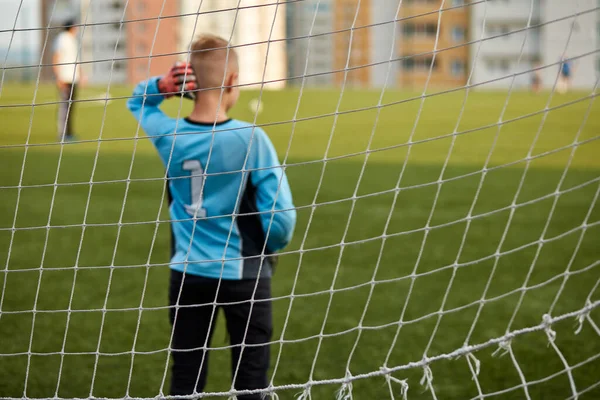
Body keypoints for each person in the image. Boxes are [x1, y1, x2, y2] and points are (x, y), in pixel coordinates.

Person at [127, 34, 296, 399]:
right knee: (251, 380)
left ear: (189, 83)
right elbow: (281, 218)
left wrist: (160, 86)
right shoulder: (252, 138)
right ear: (233, 81)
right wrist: (270, 247)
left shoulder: (169, 135)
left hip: (187, 273)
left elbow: (137, 102)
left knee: (186, 378)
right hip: (245, 275)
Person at [53, 19, 81, 142]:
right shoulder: (62, 39)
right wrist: (58, 77)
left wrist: (81, 75)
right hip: (65, 78)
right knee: (65, 107)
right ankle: (63, 134)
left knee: (71, 107)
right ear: (71, 27)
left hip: (73, 78)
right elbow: (56, 57)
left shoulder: (72, 39)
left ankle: (69, 133)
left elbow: (75, 59)